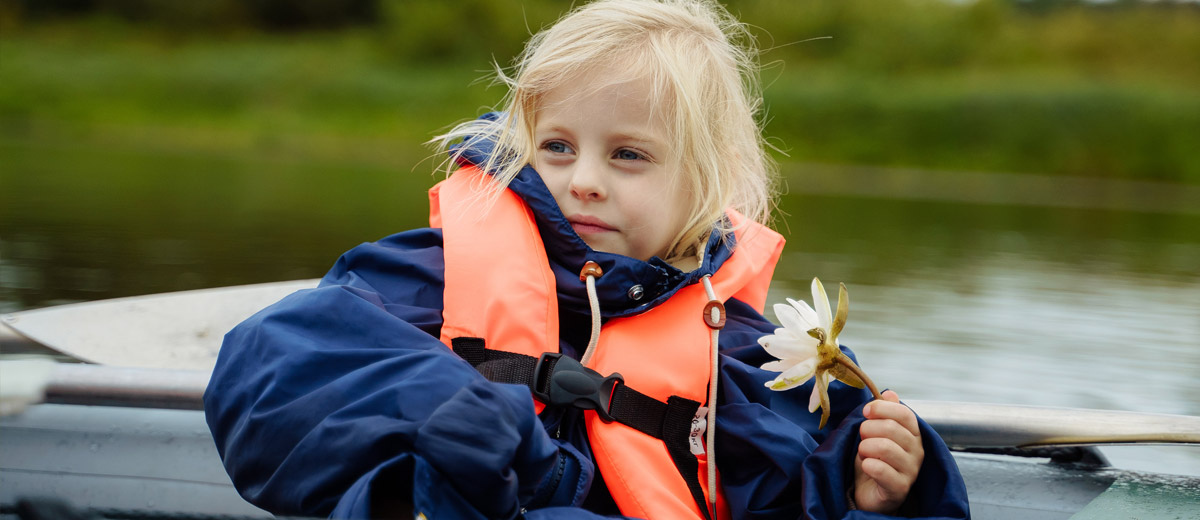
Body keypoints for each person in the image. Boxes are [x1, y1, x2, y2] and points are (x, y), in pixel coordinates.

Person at [204, 1, 971, 518]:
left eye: (629, 155)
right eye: (559, 147)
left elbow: (783, 497)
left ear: (702, 186)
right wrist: (438, 404)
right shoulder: (427, 278)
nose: (585, 181)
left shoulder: (740, 355)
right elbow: (269, 371)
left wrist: (872, 491)